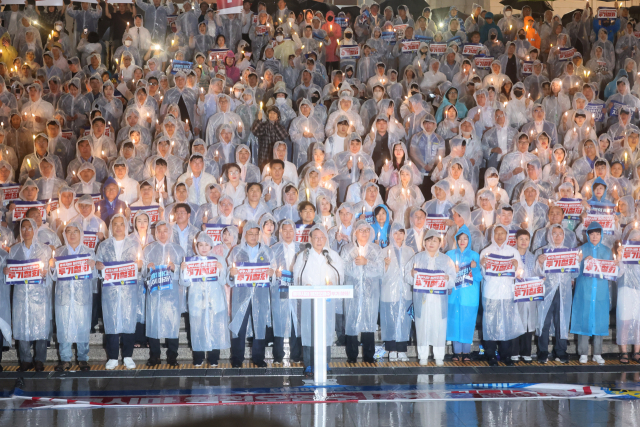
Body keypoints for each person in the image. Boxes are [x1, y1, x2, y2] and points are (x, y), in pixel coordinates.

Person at [292, 224, 344, 375]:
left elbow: (339, 273)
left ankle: (325, 363)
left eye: (322, 237)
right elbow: (297, 275)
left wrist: (333, 283)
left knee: (326, 331)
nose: (319, 240)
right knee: (308, 330)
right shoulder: (304, 256)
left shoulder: (332, 255)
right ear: (310, 239)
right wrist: (304, 284)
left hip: (326, 300)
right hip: (309, 299)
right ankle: (308, 364)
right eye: (316, 237)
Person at [227, 220, 276, 368]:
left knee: (259, 325)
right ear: (245, 235)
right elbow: (229, 274)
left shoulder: (267, 251)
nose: (254, 237)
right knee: (239, 326)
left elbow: (273, 274)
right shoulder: (236, 251)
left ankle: (258, 357)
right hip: (241, 294)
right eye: (250, 234)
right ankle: (236, 358)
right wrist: (231, 273)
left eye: (256, 234)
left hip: (260, 294)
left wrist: (271, 274)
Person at [95, 213, 140, 370]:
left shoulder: (134, 245)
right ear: (111, 227)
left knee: (128, 321)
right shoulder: (104, 245)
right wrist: (98, 265)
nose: (119, 227)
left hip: (129, 291)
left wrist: (140, 265)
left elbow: (141, 267)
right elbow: (96, 264)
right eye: (115, 224)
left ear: (126, 226)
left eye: (122, 224)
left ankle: (128, 356)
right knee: (111, 322)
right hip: (110, 291)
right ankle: (113, 357)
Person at [50, 221, 97, 372]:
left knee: (82, 326)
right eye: (68, 231)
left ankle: (82, 358)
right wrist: (51, 267)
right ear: (64, 235)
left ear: (80, 234)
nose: (71, 235)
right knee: (64, 326)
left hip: (82, 297)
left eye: (75, 231)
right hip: (63, 296)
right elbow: (54, 277)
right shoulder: (59, 253)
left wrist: (92, 267)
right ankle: (65, 359)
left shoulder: (89, 253)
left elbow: (95, 276)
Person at [6, 217, 51, 372]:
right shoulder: (14, 249)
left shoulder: (45, 249)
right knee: (21, 325)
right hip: (20, 294)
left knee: (41, 326)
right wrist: (7, 272)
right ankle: (25, 360)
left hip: (39, 294)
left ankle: (39, 359)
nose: (26, 231)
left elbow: (51, 272)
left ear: (35, 229)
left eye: (29, 228)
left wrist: (46, 273)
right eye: (23, 228)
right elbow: (11, 274)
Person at [406, 229, 456, 366]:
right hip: (423, 300)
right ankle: (423, 355)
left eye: (435, 240)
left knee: (439, 326)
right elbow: (407, 276)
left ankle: (439, 356)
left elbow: (453, 278)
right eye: (429, 240)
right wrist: (411, 274)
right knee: (422, 327)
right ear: (424, 243)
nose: (432, 243)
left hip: (439, 300)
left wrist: (448, 278)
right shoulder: (417, 258)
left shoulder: (446, 260)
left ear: (440, 243)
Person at [179, 231, 229, 367]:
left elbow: (223, 281)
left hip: (214, 301)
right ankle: (198, 358)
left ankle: (213, 358)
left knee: (215, 329)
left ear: (211, 246)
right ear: (196, 247)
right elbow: (185, 283)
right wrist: (183, 270)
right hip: (197, 301)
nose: (204, 248)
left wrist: (220, 270)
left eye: (207, 245)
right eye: (201, 245)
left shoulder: (219, 260)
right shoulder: (190, 261)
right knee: (197, 329)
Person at [479, 224, 525, 366]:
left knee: (506, 324)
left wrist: (517, 266)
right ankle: (491, 355)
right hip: (491, 293)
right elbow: (483, 275)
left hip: (507, 294)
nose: (499, 236)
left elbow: (520, 275)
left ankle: (506, 355)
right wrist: (483, 265)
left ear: (507, 235)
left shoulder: (513, 252)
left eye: (502, 233)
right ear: (492, 235)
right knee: (490, 325)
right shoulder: (486, 252)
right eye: (497, 233)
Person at [571, 222, 616, 365]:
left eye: (597, 234)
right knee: (584, 320)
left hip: (600, 292)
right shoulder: (581, 250)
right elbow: (573, 273)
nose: (594, 237)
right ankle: (583, 352)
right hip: (584, 291)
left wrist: (616, 265)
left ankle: (597, 352)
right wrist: (581, 261)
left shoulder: (607, 251)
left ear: (601, 235)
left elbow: (611, 273)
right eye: (592, 234)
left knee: (599, 322)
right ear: (588, 235)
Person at [446, 225, 482, 362]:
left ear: (469, 240)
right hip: (454, 296)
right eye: (460, 238)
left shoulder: (474, 256)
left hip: (469, 297)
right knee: (454, 322)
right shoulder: (450, 255)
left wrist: (474, 268)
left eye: (465, 238)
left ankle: (466, 352)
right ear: (456, 239)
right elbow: (445, 274)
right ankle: (456, 352)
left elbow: (479, 277)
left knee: (467, 322)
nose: (462, 241)